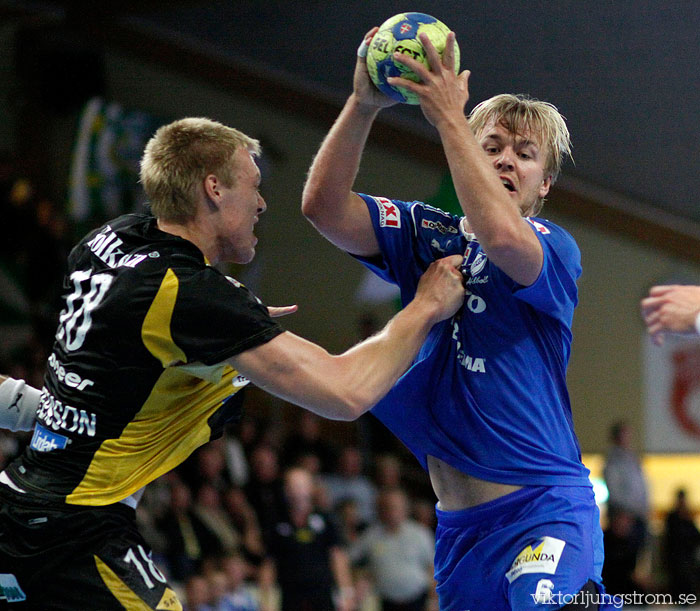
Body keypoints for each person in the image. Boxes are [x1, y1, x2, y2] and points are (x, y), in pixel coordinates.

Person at [0, 117, 465, 610]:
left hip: (23, 504)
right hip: (75, 530)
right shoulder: (190, 295)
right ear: (214, 189)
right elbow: (346, 392)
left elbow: (102, 376)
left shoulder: (107, 243)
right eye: (254, 185)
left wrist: (225, 326)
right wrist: (425, 305)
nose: (262, 203)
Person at [301, 26, 607, 610]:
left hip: (543, 510)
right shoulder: (429, 234)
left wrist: (448, 119)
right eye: (490, 146)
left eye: (523, 153)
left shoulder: (550, 246)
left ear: (544, 183)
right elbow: (322, 208)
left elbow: (496, 232)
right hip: (462, 535)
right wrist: (363, 106)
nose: (504, 159)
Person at [262, 466, 353, 611]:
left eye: (301, 486)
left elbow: (338, 557)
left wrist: (346, 592)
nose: (297, 491)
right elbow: (269, 562)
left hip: (321, 593)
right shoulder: (276, 522)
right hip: (290, 594)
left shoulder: (326, 519)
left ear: (311, 488)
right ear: (286, 490)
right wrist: (266, 599)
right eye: (292, 486)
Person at [349, 486, 435, 611]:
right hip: (385, 602)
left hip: (418, 600)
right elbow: (349, 559)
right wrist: (360, 580)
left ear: (405, 508)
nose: (392, 512)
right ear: (379, 509)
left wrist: (433, 600)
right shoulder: (370, 536)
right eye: (387, 507)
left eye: (396, 507)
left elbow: (432, 569)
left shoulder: (420, 534)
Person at [603, 421, 650, 572]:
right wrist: (623, 513)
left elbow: (641, 488)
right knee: (623, 565)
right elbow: (614, 489)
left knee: (636, 561)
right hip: (625, 518)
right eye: (625, 435)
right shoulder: (613, 460)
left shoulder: (632, 459)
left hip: (637, 515)